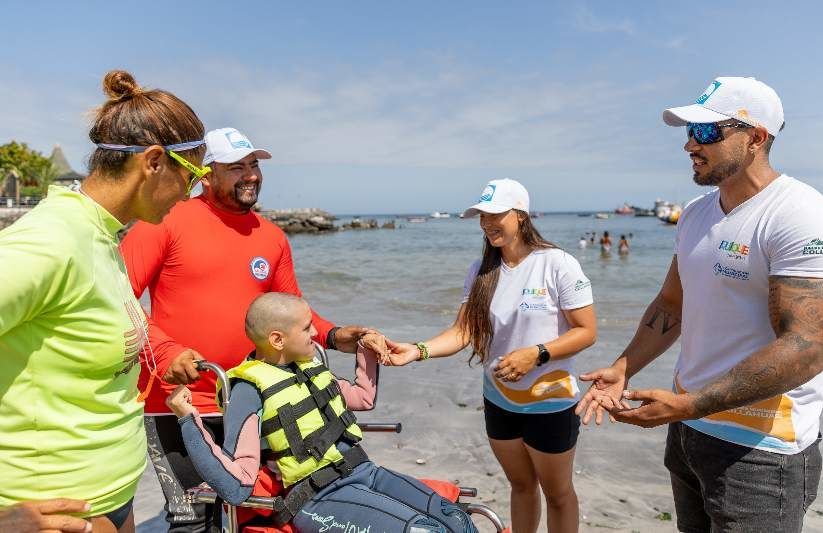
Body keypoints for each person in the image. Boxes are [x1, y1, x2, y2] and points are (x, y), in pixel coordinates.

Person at [576, 77, 823, 532]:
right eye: (689, 132)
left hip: (761, 452)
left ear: (755, 139)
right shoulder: (696, 212)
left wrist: (689, 405)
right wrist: (625, 367)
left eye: (706, 132)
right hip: (689, 434)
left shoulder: (803, 215)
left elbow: (806, 348)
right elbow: (672, 304)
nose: (689, 144)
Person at [120, 127, 385, 532]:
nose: (251, 175)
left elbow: (293, 311)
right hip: (183, 401)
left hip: (256, 400)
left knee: (257, 511)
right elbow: (117, 298)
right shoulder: (164, 220)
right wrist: (166, 352)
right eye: (235, 167)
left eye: (254, 164)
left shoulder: (272, 236)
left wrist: (335, 336)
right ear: (205, 174)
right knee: (193, 519)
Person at [0, 70, 206, 533]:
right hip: (47, 505)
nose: (193, 195)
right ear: (153, 162)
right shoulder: (51, 242)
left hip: (109, 498)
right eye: (192, 176)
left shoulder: (100, 234)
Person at [383, 178, 597, 532]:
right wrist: (417, 351)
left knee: (557, 494)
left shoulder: (558, 263)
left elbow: (586, 331)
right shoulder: (481, 271)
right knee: (521, 485)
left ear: (521, 216)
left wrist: (537, 354)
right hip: (499, 401)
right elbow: (463, 331)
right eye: (482, 215)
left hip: (551, 401)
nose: (486, 223)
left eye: (496, 214)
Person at [165, 293, 477, 532]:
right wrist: (186, 418)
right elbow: (236, 484)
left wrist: (367, 348)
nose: (317, 332)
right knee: (424, 530)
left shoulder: (310, 367)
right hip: (316, 496)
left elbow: (363, 398)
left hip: (363, 471)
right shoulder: (249, 389)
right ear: (278, 339)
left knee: (457, 520)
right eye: (307, 327)